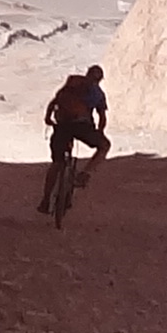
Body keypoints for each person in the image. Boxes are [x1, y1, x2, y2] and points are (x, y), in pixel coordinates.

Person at [40, 63, 112, 220]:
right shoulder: (98, 93)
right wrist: (98, 133)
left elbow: (54, 103)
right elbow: (102, 118)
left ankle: (46, 200)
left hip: (62, 126)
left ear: (86, 74)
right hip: (82, 128)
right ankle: (84, 174)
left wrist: (48, 119)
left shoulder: (71, 84)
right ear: (99, 80)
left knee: (57, 163)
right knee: (105, 146)